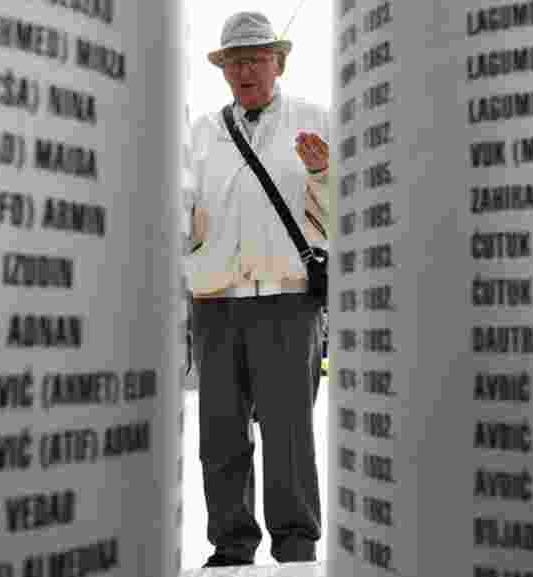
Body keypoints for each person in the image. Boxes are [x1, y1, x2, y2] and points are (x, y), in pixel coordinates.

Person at [182, 10, 331, 568]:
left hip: (289, 302)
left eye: (255, 59)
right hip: (215, 303)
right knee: (220, 434)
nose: (244, 71)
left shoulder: (318, 121)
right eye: (234, 63)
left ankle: (296, 547)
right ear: (223, 71)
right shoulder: (200, 131)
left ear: (280, 63)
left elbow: (350, 219)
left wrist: (324, 175)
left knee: (289, 433)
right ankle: (231, 545)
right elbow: (178, 212)